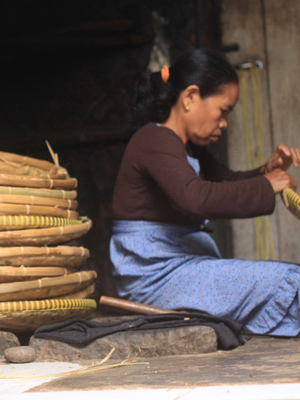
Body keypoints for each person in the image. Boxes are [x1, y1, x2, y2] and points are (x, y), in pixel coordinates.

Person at [110, 48, 300, 336]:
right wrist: (268, 184)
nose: (224, 123)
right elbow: (196, 198)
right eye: (223, 111)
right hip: (155, 276)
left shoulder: (187, 146)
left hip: (179, 268)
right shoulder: (154, 139)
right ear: (190, 97)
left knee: (287, 279)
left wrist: (267, 171)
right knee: (289, 281)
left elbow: (224, 183)